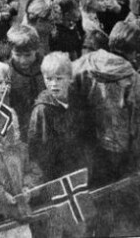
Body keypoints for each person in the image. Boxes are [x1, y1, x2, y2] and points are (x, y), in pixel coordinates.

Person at [69, 28, 140, 186]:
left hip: (83, 142)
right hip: (116, 150)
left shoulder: (84, 63)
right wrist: (135, 168)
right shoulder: (136, 82)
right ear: (134, 52)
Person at [28, 52, 83, 183]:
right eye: (48, 79)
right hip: (57, 174)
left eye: (59, 79)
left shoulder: (77, 99)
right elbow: (38, 152)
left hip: (79, 165)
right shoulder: (42, 110)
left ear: (70, 78)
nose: (53, 84)